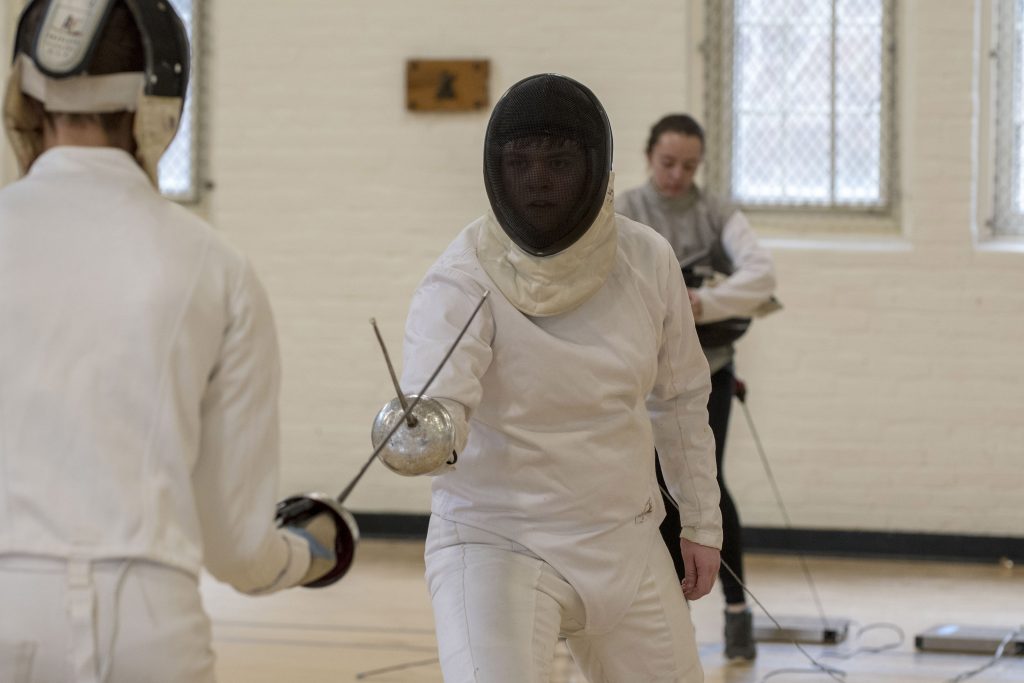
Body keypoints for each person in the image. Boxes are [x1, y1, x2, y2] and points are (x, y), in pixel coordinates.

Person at [0, 2, 355, 682]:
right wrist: (316, 547)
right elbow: (236, 548)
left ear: (24, 93)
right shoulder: (216, 268)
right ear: (161, 103)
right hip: (149, 625)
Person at [392, 74, 723, 682]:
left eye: (558, 162)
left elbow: (680, 400)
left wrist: (701, 522)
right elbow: (441, 397)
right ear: (497, 170)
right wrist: (427, 434)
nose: (539, 179)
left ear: (595, 168)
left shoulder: (647, 259)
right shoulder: (461, 278)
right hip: (495, 542)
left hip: (625, 536)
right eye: (521, 162)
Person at [616, 114, 777, 661]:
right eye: (668, 163)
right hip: (645, 374)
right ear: (648, 156)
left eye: (689, 165)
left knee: (708, 486)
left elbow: (761, 276)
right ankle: (669, 612)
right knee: (658, 487)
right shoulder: (626, 210)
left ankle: (737, 612)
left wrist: (700, 303)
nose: (677, 174)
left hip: (710, 372)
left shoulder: (717, 213)